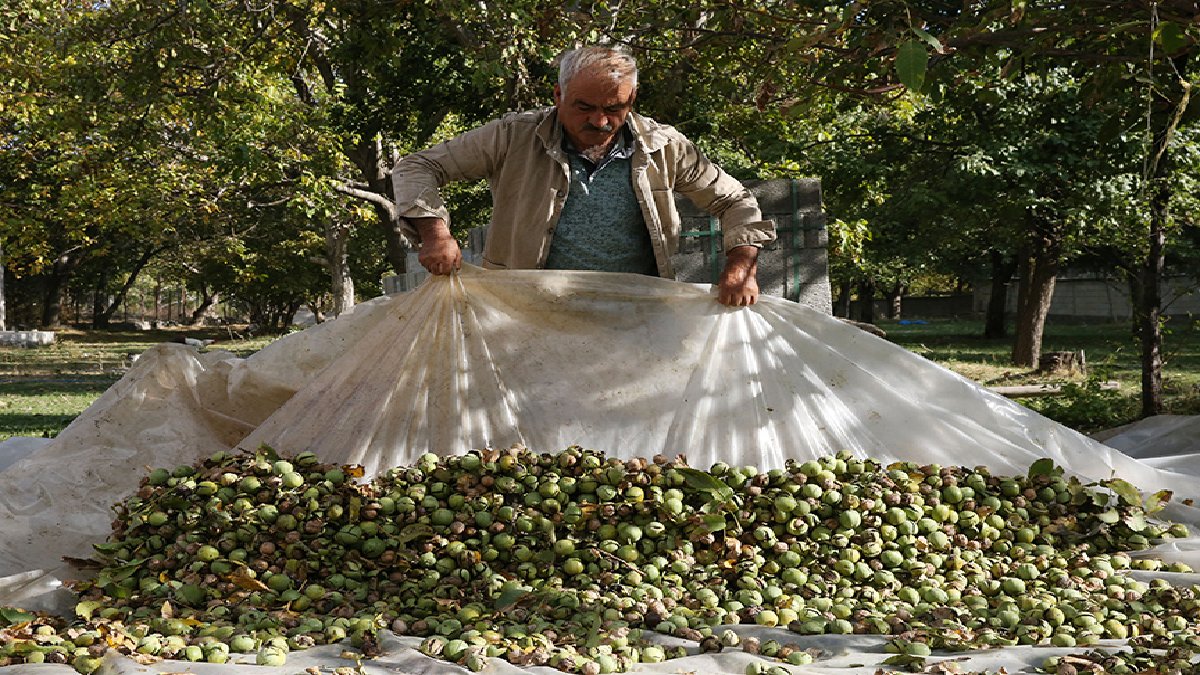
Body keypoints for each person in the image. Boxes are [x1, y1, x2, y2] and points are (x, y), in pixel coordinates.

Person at [391, 44, 776, 306]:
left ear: (632, 100)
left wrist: (741, 268)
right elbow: (418, 165)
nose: (600, 120)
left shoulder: (664, 145)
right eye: (583, 106)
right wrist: (434, 232)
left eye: (614, 107)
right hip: (528, 313)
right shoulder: (513, 136)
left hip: (635, 314)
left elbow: (735, 200)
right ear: (558, 95)